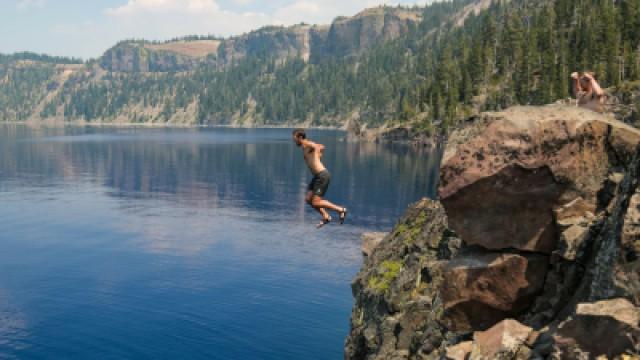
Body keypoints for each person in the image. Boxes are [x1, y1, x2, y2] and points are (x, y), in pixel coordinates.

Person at [292, 129, 347, 228]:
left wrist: (316, 150)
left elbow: (316, 146)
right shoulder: (305, 147)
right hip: (316, 176)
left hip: (322, 176)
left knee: (316, 202)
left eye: (294, 138)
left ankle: (341, 210)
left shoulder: (307, 144)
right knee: (308, 199)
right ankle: (326, 216)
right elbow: (322, 147)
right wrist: (318, 153)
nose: (293, 140)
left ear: (300, 137)